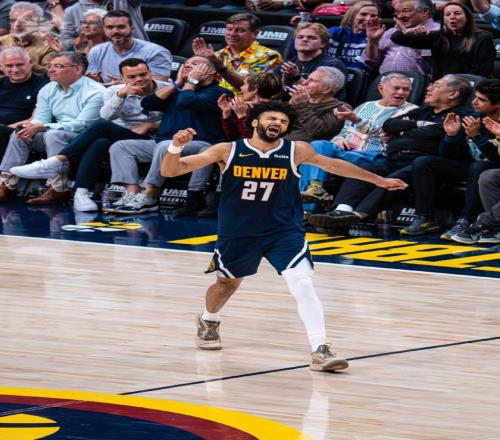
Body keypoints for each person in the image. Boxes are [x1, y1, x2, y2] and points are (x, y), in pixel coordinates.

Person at [160, 101, 407, 371]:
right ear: (256, 121)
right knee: (226, 286)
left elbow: (334, 165)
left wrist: (378, 180)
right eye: (272, 118)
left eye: (283, 121)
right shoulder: (228, 150)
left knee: (303, 283)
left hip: (284, 231)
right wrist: (176, 147)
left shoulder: (296, 150)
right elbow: (171, 171)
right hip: (238, 232)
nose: (277, 123)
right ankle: (209, 319)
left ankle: (320, 350)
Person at [308, 74, 471, 230]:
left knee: (393, 179)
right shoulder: (424, 111)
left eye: (436, 86)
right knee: (362, 171)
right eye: (396, 88)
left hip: (419, 160)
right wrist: (419, 125)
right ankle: (341, 210)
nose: (428, 88)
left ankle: (358, 215)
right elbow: (389, 125)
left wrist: (407, 129)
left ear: (452, 94)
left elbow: (436, 131)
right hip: (394, 157)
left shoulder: (462, 114)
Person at [9, 58, 168, 211]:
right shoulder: (114, 91)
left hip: (152, 137)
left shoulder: (167, 89)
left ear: (150, 73)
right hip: (119, 135)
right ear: (123, 78)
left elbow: (177, 117)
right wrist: (121, 95)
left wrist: (151, 124)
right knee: (99, 142)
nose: (139, 79)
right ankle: (82, 193)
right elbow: (107, 115)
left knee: (101, 126)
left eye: (143, 74)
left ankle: (56, 162)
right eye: (132, 77)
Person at [103, 56, 228, 216]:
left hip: (201, 144)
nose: (188, 66)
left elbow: (186, 102)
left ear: (210, 71)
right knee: (121, 147)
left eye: (195, 64)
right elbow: (148, 104)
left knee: (167, 146)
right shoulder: (179, 90)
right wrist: (177, 83)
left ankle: (150, 194)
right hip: (163, 143)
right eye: (186, 64)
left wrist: (191, 81)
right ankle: (132, 193)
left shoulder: (219, 93)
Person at [0, 51, 104, 203]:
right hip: (57, 135)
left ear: (77, 69)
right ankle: (7, 183)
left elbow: (83, 124)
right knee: (21, 133)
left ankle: (58, 187)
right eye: (50, 66)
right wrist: (32, 126)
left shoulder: (96, 92)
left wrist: (43, 126)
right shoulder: (48, 89)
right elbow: (41, 118)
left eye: (58, 66)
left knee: (53, 134)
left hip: (86, 137)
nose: (51, 70)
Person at [300, 72, 417, 206]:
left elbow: (385, 132)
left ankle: (307, 208)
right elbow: (346, 129)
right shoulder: (366, 106)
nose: (401, 92)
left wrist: (356, 119)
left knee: (317, 159)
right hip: (346, 151)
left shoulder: (411, 111)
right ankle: (315, 188)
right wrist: (339, 138)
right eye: (396, 88)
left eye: (406, 89)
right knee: (315, 146)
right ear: (381, 88)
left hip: (375, 154)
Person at [403, 78, 500, 237]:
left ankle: (466, 220)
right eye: (475, 97)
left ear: (497, 105)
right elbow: (447, 154)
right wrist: (451, 135)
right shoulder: (473, 118)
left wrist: (476, 137)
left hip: (492, 168)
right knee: (424, 162)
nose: (474, 102)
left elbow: (496, 158)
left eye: (482, 100)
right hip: (470, 166)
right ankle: (425, 218)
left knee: (479, 167)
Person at [390, 2, 496, 80]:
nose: (452, 17)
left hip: (467, 87)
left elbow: (483, 71)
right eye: (448, 14)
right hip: (441, 88)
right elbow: (396, 38)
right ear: (444, 20)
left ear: (467, 18)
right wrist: (409, 31)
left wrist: (456, 84)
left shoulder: (482, 38)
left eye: (457, 13)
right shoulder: (438, 36)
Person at [192, 13, 282, 95]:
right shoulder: (217, 55)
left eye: (240, 30)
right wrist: (200, 61)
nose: (232, 34)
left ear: (255, 33)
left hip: (244, 104)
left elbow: (251, 88)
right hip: (212, 101)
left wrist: (221, 68)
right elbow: (199, 82)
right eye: (229, 29)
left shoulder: (268, 56)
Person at [86, 10, 171, 84]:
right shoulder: (96, 51)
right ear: (103, 30)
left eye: (121, 27)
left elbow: (159, 86)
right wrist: (93, 81)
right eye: (110, 27)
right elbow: (93, 81)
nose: (115, 31)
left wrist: (122, 85)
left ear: (132, 29)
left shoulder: (155, 52)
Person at [290, 1, 380, 70]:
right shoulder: (335, 31)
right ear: (352, 15)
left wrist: (372, 41)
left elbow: (368, 64)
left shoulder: (378, 37)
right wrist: (300, 30)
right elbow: (299, 52)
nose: (368, 19)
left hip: (351, 79)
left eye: (373, 16)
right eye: (363, 14)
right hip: (320, 74)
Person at [360, 0, 439, 77]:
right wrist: (372, 42)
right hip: (384, 81)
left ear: (425, 12)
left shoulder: (437, 31)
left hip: (417, 83)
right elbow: (371, 62)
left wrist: (408, 38)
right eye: (397, 12)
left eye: (406, 11)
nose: (400, 16)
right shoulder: (391, 32)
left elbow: (432, 62)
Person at [273, 22, 347, 100]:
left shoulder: (333, 65)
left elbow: (319, 96)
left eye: (312, 38)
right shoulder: (286, 65)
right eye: (300, 37)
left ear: (323, 43)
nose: (304, 40)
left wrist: (296, 78)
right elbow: (270, 93)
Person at [0, 47, 49, 159]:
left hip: (19, 131)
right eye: (9, 66)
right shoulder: (1, 82)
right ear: (1, 67)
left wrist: (5, 127)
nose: (15, 69)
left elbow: (35, 119)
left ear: (30, 63)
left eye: (20, 64)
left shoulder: (43, 86)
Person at [285, 66, 348, 142]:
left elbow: (317, 131)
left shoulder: (340, 108)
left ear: (327, 89)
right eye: (307, 78)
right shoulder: (301, 98)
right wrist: (291, 104)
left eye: (312, 80)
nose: (304, 83)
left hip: (301, 146)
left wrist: (300, 105)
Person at [0, 1, 61, 74]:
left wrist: (24, 61)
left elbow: (50, 73)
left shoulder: (49, 45)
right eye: (13, 20)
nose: (17, 25)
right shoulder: (2, 42)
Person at [60, 0, 147, 47]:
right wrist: (79, 41)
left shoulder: (125, 1)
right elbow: (64, 41)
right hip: (94, 56)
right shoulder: (72, 10)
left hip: (136, 51)